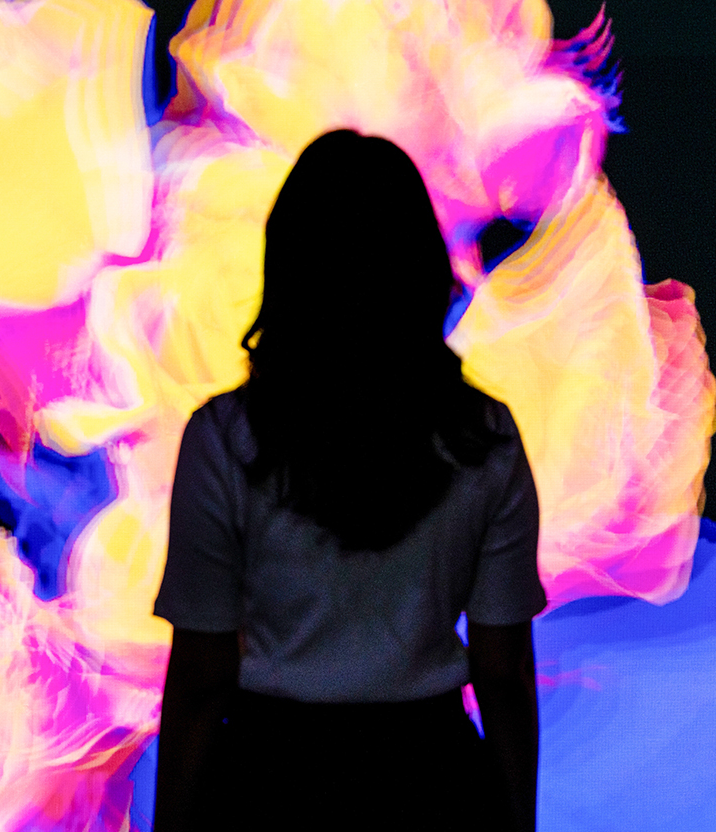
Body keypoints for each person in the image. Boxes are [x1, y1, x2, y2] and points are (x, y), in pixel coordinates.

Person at [152, 130, 544, 832]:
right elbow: (503, 672)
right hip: (434, 784)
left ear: (289, 267)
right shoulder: (484, 440)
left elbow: (203, 674)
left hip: (267, 785)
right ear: (422, 269)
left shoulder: (224, 440)